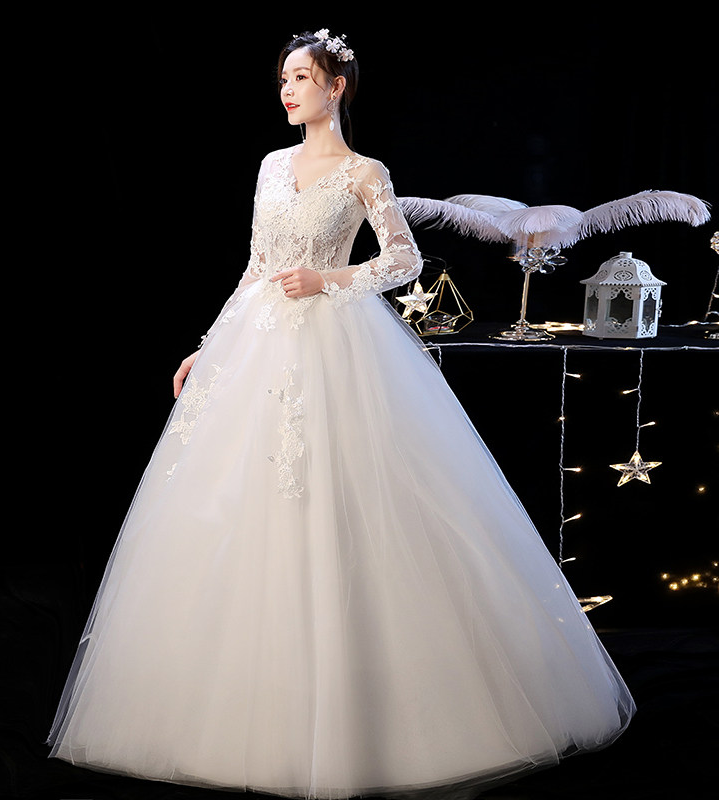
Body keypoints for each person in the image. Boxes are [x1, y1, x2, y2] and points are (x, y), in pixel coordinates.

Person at [46, 29, 635, 799]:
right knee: (237, 500)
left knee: (344, 497)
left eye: (302, 77)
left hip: (336, 345)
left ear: (336, 87)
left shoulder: (365, 172)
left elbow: (404, 260)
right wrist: (208, 346)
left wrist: (327, 279)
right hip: (258, 343)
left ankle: (378, 712)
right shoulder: (271, 166)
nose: (288, 90)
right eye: (283, 78)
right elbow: (256, 266)